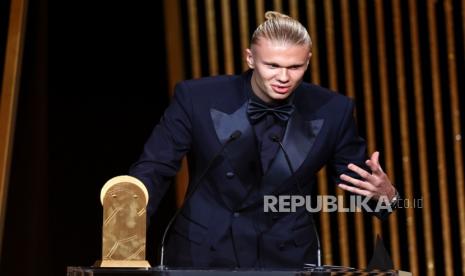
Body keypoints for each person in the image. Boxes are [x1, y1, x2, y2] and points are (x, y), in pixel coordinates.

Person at [129, 11, 398, 269]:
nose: (283, 77)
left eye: (295, 67)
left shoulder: (333, 110)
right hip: (202, 255)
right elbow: (155, 167)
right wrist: (124, 230)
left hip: (287, 260)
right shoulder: (196, 98)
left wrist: (387, 197)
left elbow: (361, 184)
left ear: (308, 60)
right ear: (250, 58)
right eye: (272, 65)